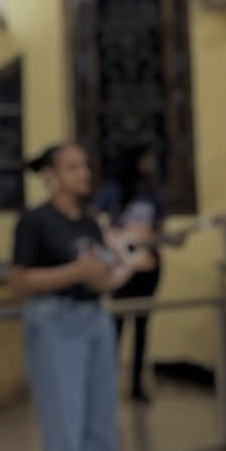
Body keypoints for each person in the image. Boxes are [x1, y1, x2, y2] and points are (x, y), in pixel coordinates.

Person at [10, 142, 129, 451]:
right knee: (66, 443)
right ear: (51, 175)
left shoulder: (88, 221)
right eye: (73, 167)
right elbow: (19, 280)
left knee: (101, 439)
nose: (84, 174)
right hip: (54, 324)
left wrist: (124, 266)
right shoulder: (35, 221)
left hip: (95, 321)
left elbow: (98, 278)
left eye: (86, 165)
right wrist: (76, 270)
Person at [94, 144, 181, 403]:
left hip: (147, 266)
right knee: (116, 325)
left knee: (142, 326)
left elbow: (159, 230)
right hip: (121, 266)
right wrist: (111, 248)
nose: (150, 165)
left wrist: (169, 240)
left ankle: (136, 385)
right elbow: (91, 222)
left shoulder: (154, 196)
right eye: (146, 160)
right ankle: (105, 385)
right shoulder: (112, 191)